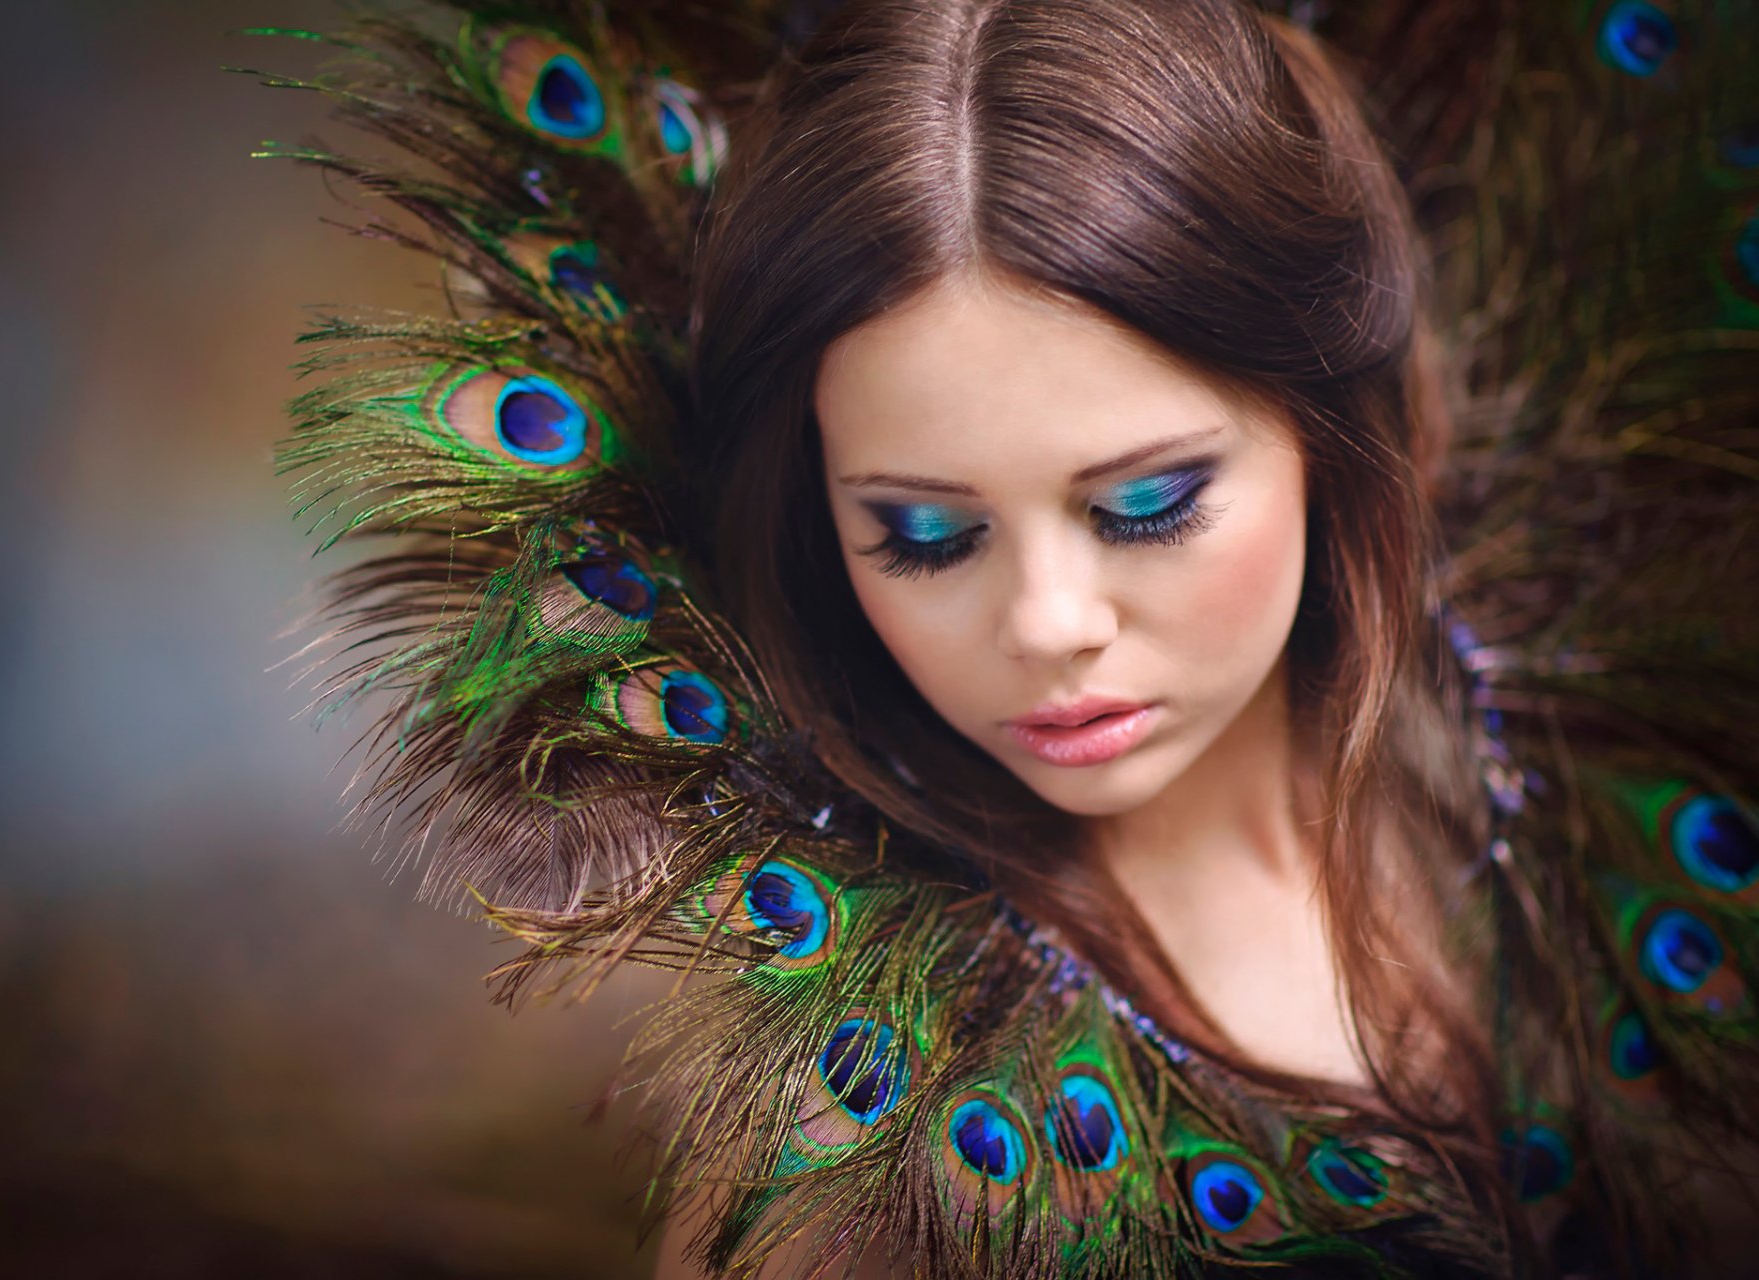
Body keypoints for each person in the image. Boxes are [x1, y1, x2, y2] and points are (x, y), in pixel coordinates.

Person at [258, 0, 1759, 1275]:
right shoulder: (866, 1143)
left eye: (1150, 505)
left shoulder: (1615, 787)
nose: (1047, 626)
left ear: (1328, 432)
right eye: (925, 534)